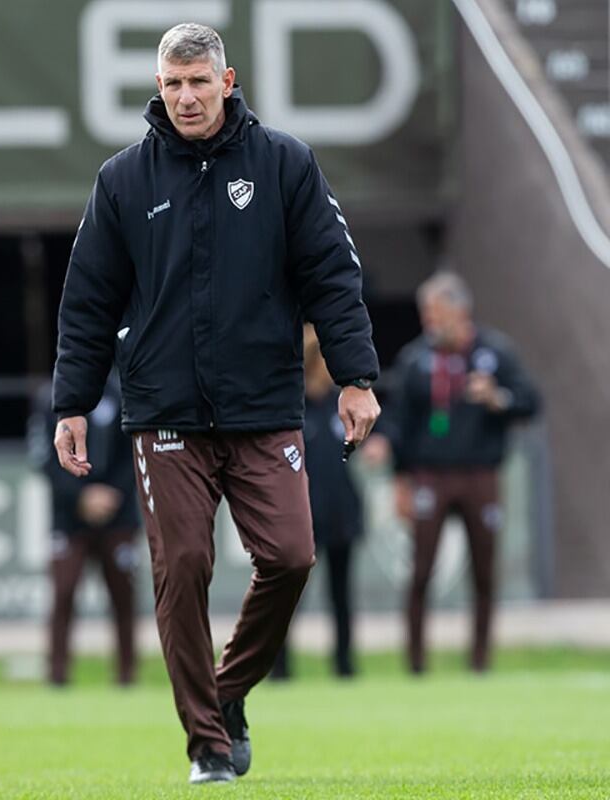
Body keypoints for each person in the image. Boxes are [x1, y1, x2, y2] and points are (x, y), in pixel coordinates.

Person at [51, 24, 380, 784]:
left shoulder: (284, 163)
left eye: (199, 82)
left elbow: (332, 274)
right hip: (164, 412)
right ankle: (207, 746)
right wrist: (73, 401)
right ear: (157, 87)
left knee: (293, 556)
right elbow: (87, 303)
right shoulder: (124, 179)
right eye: (172, 84)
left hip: (264, 405)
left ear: (227, 82)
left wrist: (356, 376)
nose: (185, 97)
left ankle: (225, 696)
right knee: (185, 566)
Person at [382, 271, 539, 674]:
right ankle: (415, 665)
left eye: (436, 314)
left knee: (485, 572)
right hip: (429, 476)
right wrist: (399, 479)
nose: (430, 323)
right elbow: (398, 422)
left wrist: (497, 399)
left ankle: (480, 661)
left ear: (460, 310)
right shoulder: (416, 359)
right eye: (426, 315)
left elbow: (531, 401)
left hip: (480, 475)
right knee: (420, 571)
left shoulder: (494, 353)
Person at [271, 325, 370, 681]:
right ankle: (279, 667)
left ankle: (344, 665)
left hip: (341, 512)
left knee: (341, 596)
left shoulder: (339, 404)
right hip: (303, 516)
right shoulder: (292, 405)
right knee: (288, 595)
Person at [30, 376, 139, 687]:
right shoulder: (51, 398)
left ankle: (127, 676)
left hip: (119, 516)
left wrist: (111, 493)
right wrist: (81, 496)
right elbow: (42, 457)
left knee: (124, 595)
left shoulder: (125, 392)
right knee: (63, 592)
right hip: (69, 518)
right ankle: (58, 676)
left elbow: (135, 450)